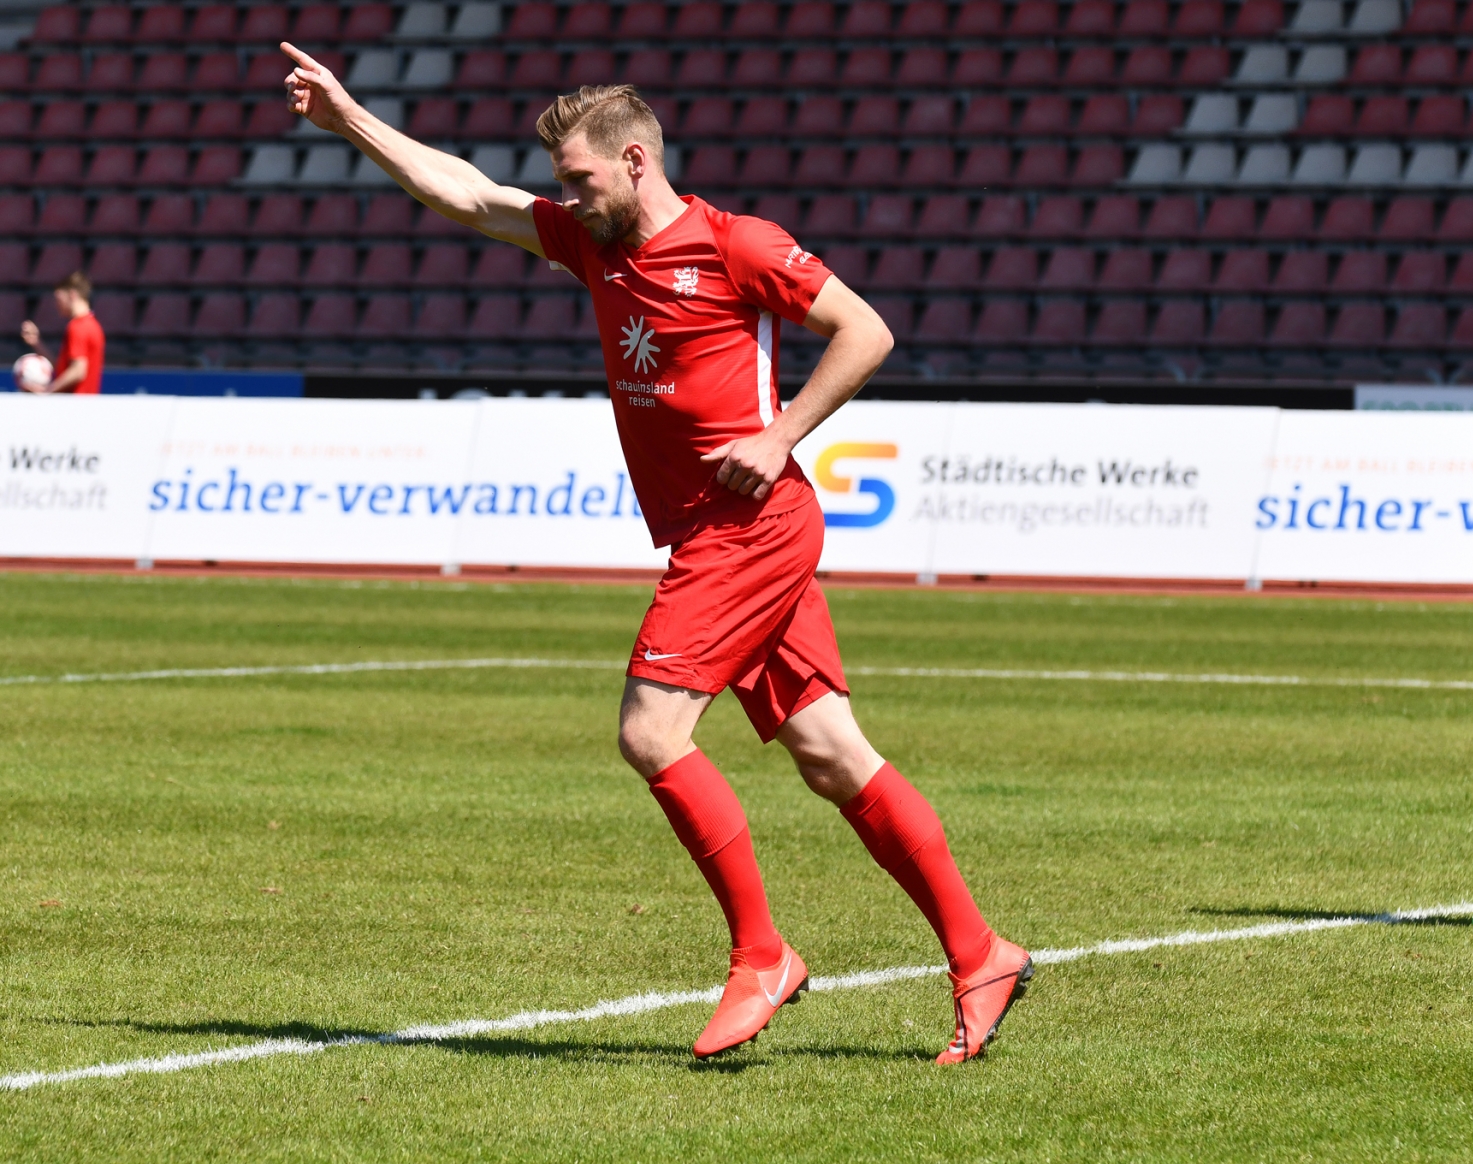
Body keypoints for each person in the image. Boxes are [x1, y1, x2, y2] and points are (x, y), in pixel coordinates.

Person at [279, 46, 1035, 1060]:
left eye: (581, 179)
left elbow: (866, 331)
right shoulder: (595, 243)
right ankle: (980, 949)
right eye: (562, 184)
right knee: (830, 750)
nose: (567, 197)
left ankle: (762, 953)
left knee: (650, 731)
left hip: (748, 527)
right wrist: (351, 119)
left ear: (636, 160)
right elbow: (466, 195)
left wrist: (781, 434)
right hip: (712, 529)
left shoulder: (736, 246)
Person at [19, 271, 105, 395]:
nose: (57, 304)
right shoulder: (93, 325)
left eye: (59, 298)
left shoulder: (77, 327)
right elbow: (64, 369)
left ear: (72, 295)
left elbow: (78, 371)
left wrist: (47, 391)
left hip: (74, 406)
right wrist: (37, 343)